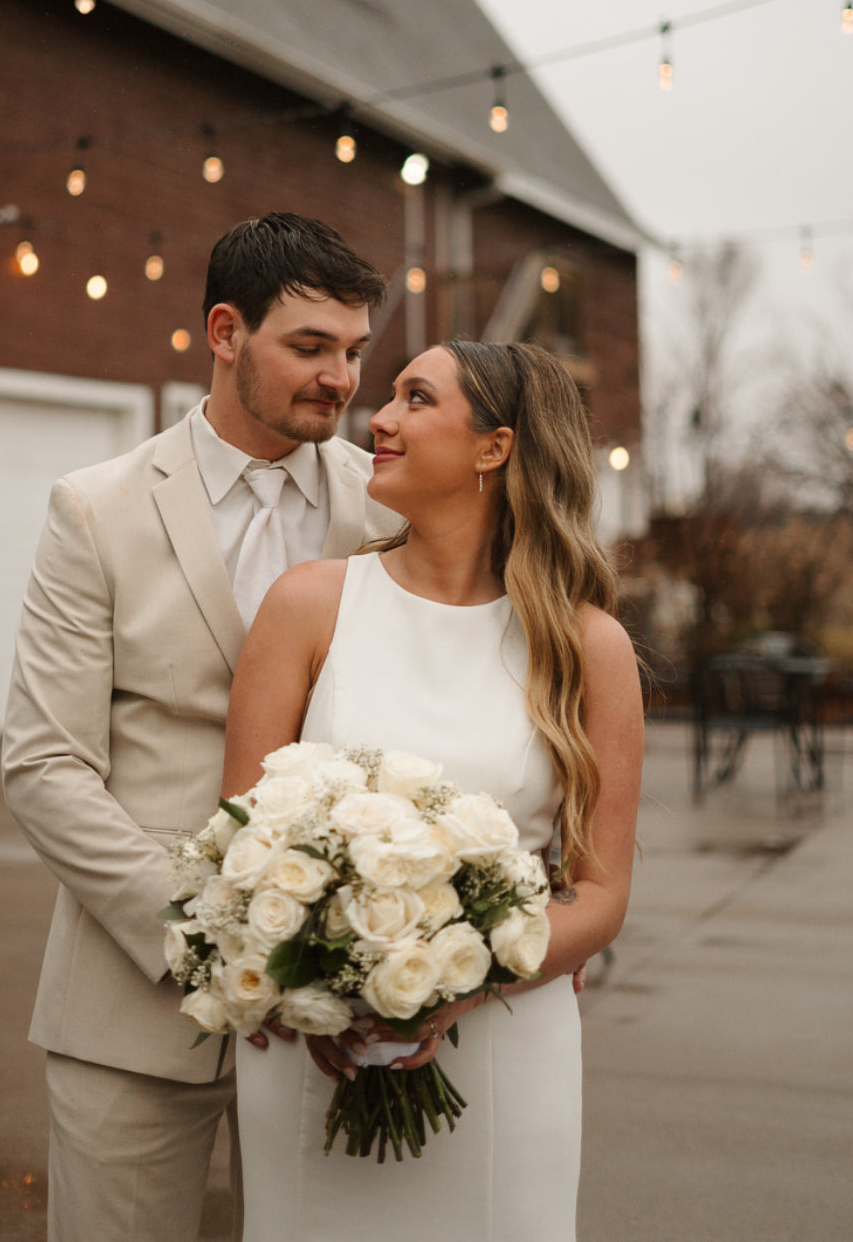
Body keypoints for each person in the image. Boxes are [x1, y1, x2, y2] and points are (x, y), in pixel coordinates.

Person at [2, 213, 401, 1242]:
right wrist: (203, 933)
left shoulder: (389, 510)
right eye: (308, 346)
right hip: (131, 1005)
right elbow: (45, 764)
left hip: (336, 1014)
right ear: (225, 333)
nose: (341, 378)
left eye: (355, 350)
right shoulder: (95, 510)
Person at [222, 338, 644, 1242]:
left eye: (416, 397)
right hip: (317, 1045)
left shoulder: (586, 646)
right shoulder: (308, 604)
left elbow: (602, 892)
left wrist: (466, 974)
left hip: (505, 1047)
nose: (377, 417)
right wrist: (314, 977)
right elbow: (238, 841)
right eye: (390, 395)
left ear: (494, 446)